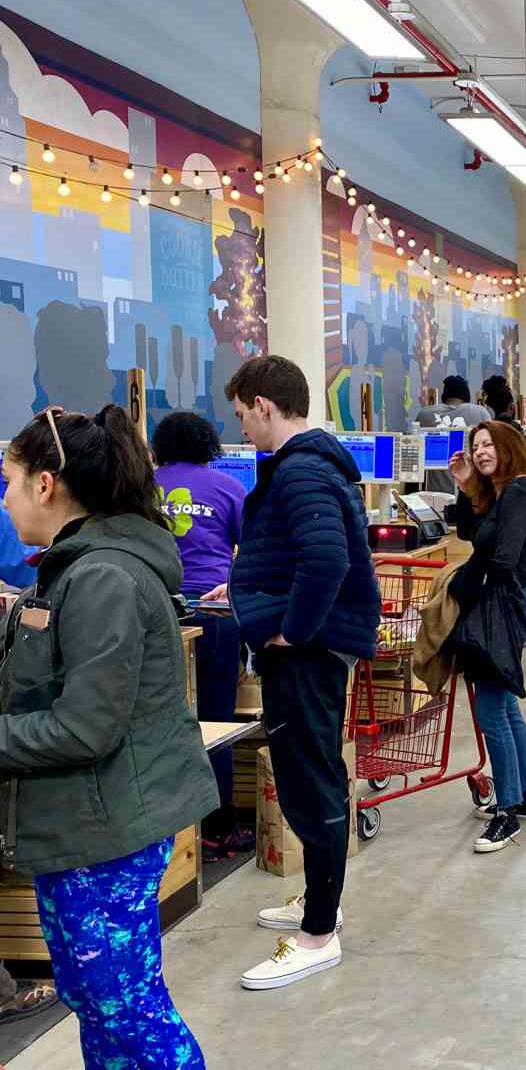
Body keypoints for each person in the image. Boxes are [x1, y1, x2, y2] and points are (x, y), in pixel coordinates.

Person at [0, 404, 220, 1063]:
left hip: (102, 833)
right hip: (86, 826)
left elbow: (83, 725)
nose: (4, 499)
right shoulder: (81, 565)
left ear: (46, 484)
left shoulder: (100, 575)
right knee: (98, 1001)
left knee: (127, 1008)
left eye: (8, 480)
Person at [218, 355, 380, 990]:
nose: (241, 428)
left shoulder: (302, 470)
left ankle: (317, 935)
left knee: (310, 779)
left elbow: (326, 557)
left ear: (263, 404)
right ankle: (322, 900)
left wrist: (294, 629)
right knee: (311, 773)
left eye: (241, 414)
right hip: (305, 648)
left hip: (305, 652)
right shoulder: (309, 467)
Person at [152, 411, 251, 862]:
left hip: (157, 613)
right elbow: (251, 553)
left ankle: (174, 834)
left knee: (161, 720)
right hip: (214, 611)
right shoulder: (229, 488)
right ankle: (218, 826)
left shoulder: (142, 489)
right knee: (216, 719)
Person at [449, 422, 526, 851]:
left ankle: (507, 813)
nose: (482, 451)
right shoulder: (505, 492)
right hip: (507, 601)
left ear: (508, 447)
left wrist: (465, 584)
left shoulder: (520, 492)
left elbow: (503, 558)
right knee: (505, 704)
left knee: (491, 708)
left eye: (489, 444)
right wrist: (467, 486)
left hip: (503, 604)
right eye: (476, 446)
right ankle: (524, 796)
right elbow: (471, 532)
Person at [415, 375, 493, 494]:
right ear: (466, 395)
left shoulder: (424, 414)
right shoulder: (480, 412)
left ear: (444, 395)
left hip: (433, 494)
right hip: (471, 491)